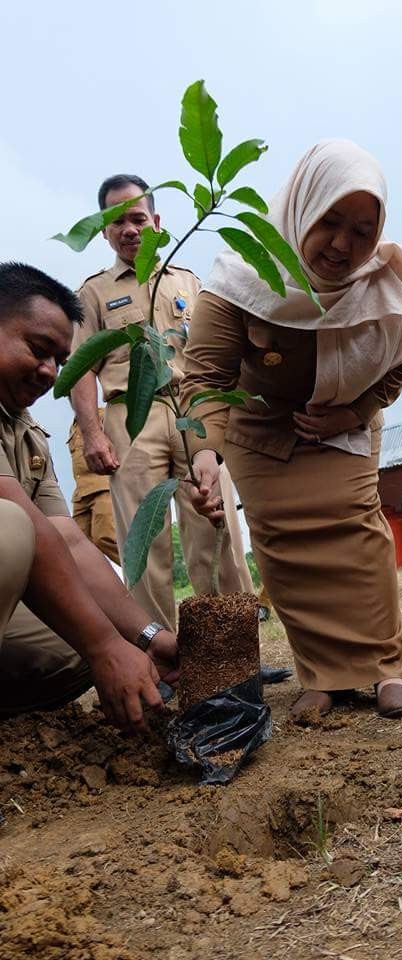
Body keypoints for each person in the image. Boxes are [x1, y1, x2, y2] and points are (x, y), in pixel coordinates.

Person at [180, 139, 402, 719]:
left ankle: (385, 668)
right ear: (303, 207)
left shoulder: (387, 281)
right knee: (285, 549)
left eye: (362, 231)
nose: (343, 245)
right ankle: (323, 676)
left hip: (344, 425)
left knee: (357, 535)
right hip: (260, 429)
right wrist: (205, 454)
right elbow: (205, 377)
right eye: (330, 222)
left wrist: (355, 411)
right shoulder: (240, 277)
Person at [0, 261, 179, 731]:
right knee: (9, 526)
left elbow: (66, 540)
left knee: (72, 643)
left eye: (60, 360)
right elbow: (22, 524)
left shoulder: (26, 432)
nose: (49, 372)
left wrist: (147, 637)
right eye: (37, 349)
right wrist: (104, 645)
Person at [70, 174, 253, 632]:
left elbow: (217, 354)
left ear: (156, 221)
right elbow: (80, 368)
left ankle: (232, 647)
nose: (128, 229)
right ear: (105, 231)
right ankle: (162, 653)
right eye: (117, 222)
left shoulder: (188, 281)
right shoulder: (92, 293)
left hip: (193, 411)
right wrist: (92, 433)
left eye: (137, 218)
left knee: (215, 524)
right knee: (143, 537)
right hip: (131, 418)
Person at [68, 408, 119, 565]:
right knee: (75, 547)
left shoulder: (102, 415)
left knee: (106, 537)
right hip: (81, 494)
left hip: (102, 487)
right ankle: (97, 581)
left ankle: (148, 573)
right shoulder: (74, 425)